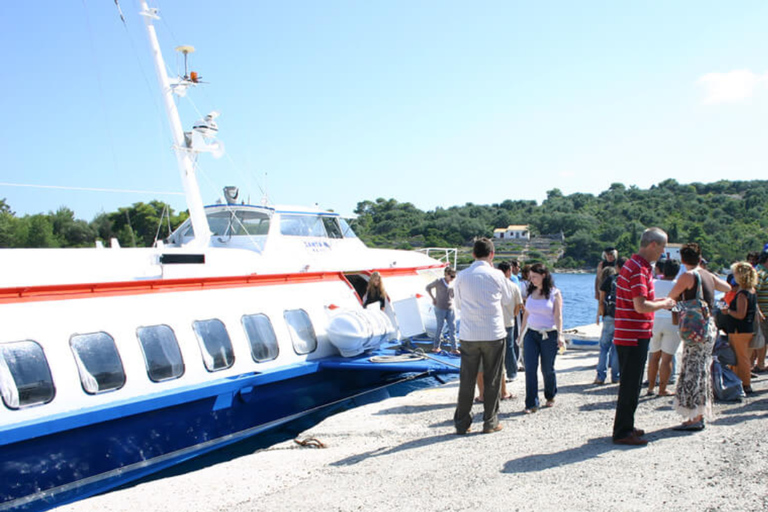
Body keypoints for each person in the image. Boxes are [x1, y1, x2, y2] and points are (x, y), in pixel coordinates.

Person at [612, 227, 675, 446]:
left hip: (630, 333)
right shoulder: (639, 269)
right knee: (630, 384)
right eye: (663, 247)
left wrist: (655, 301)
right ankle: (622, 432)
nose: (664, 252)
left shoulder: (634, 265)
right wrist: (664, 303)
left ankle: (626, 426)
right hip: (632, 334)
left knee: (632, 383)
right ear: (652, 245)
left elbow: (638, 301)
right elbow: (641, 306)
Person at [664, 243, 729, 431]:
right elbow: (727, 287)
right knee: (702, 369)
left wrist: (683, 308)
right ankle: (698, 414)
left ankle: (694, 417)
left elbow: (671, 300)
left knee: (692, 370)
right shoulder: (707, 275)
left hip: (695, 330)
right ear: (700, 257)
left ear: (683, 259)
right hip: (709, 327)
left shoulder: (688, 276)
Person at [453, 238, 512, 435]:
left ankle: (462, 423)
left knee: (467, 379)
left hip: (469, 334)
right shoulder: (497, 275)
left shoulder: (461, 276)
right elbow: (506, 300)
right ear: (492, 254)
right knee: (493, 378)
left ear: (473, 254)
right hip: (493, 332)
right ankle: (490, 421)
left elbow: (459, 305)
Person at [519, 263, 564, 413]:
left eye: (535, 277)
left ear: (543, 275)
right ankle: (531, 403)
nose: (532, 280)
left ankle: (550, 394)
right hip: (531, 334)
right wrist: (521, 333)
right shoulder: (530, 292)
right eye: (530, 277)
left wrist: (560, 335)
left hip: (548, 334)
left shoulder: (554, 293)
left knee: (547, 369)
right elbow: (526, 314)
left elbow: (558, 316)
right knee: (530, 369)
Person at [722, 261, 760, 394]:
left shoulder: (742, 293)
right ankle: (742, 382)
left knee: (740, 358)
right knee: (744, 357)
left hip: (739, 329)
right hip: (748, 329)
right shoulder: (752, 291)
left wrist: (727, 311)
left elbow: (740, 314)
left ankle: (745, 384)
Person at [647, 259, 681, 396]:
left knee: (654, 356)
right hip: (672, 322)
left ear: (662, 270)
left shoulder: (653, 283)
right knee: (667, 359)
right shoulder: (678, 285)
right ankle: (662, 389)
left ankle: (650, 387)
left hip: (654, 320)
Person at [498, 261, 524, 381]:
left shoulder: (494, 285)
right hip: (509, 320)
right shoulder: (513, 286)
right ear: (509, 271)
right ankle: (512, 373)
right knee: (510, 347)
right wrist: (513, 314)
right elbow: (519, 304)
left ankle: (499, 374)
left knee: (496, 349)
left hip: (495, 321)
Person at [594, 265, 619, 385]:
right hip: (620, 318)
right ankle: (616, 376)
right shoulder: (621, 280)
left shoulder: (606, 283)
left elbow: (601, 302)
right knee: (616, 348)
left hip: (608, 317)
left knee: (604, 348)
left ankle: (600, 376)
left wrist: (600, 316)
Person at [425, 267, 457, 354]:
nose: (452, 278)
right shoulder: (439, 281)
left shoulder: (453, 283)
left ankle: (454, 348)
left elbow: (453, 294)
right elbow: (428, 287)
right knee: (440, 327)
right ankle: (436, 347)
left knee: (452, 328)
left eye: (454, 276)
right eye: (451, 276)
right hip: (440, 308)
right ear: (446, 274)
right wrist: (433, 298)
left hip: (450, 308)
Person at [754, 251, 768, 372]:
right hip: (764, 313)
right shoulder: (761, 273)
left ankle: (760, 363)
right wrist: (758, 311)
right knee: (762, 339)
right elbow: (755, 293)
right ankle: (760, 364)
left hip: (764, 312)